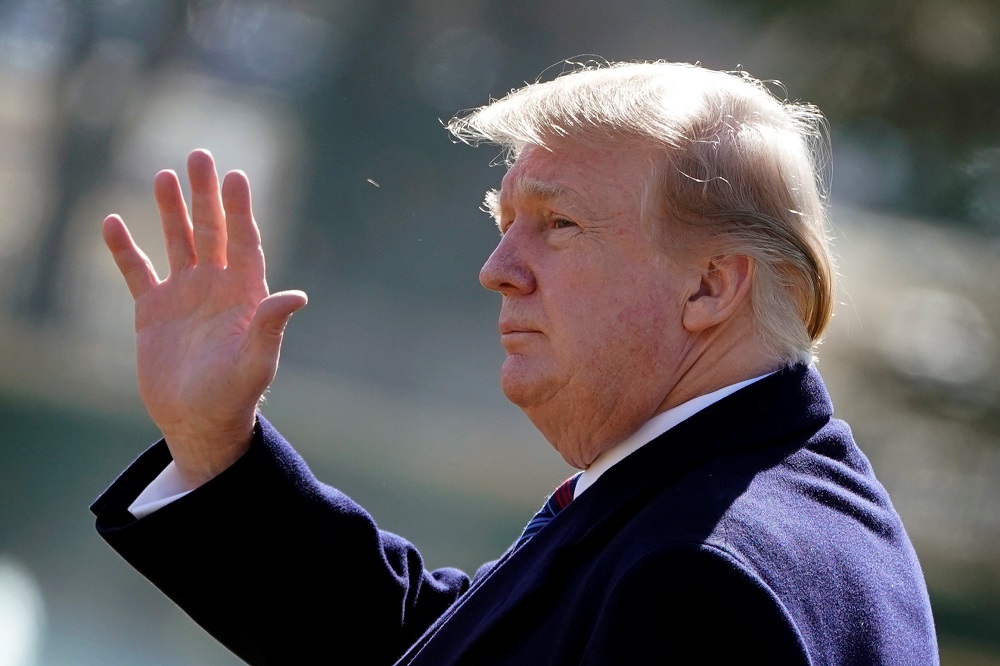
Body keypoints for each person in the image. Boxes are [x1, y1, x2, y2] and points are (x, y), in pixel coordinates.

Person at [92, 61, 938, 664]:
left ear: (712, 285)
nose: (498, 268)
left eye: (558, 224)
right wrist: (214, 439)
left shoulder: (698, 576)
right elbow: (436, 643)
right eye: (504, 221)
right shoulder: (728, 503)